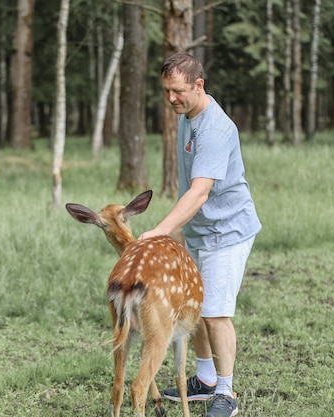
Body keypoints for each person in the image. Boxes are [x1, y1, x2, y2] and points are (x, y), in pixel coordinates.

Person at [139, 52, 261, 417]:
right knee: (194, 308)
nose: (171, 98)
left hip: (228, 232)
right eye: (166, 91)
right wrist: (179, 233)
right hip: (200, 231)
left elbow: (199, 192)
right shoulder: (187, 116)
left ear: (198, 85)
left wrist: (160, 231)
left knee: (215, 313)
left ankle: (226, 393)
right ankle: (205, 379)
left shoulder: (215, 129)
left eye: (177, 91)